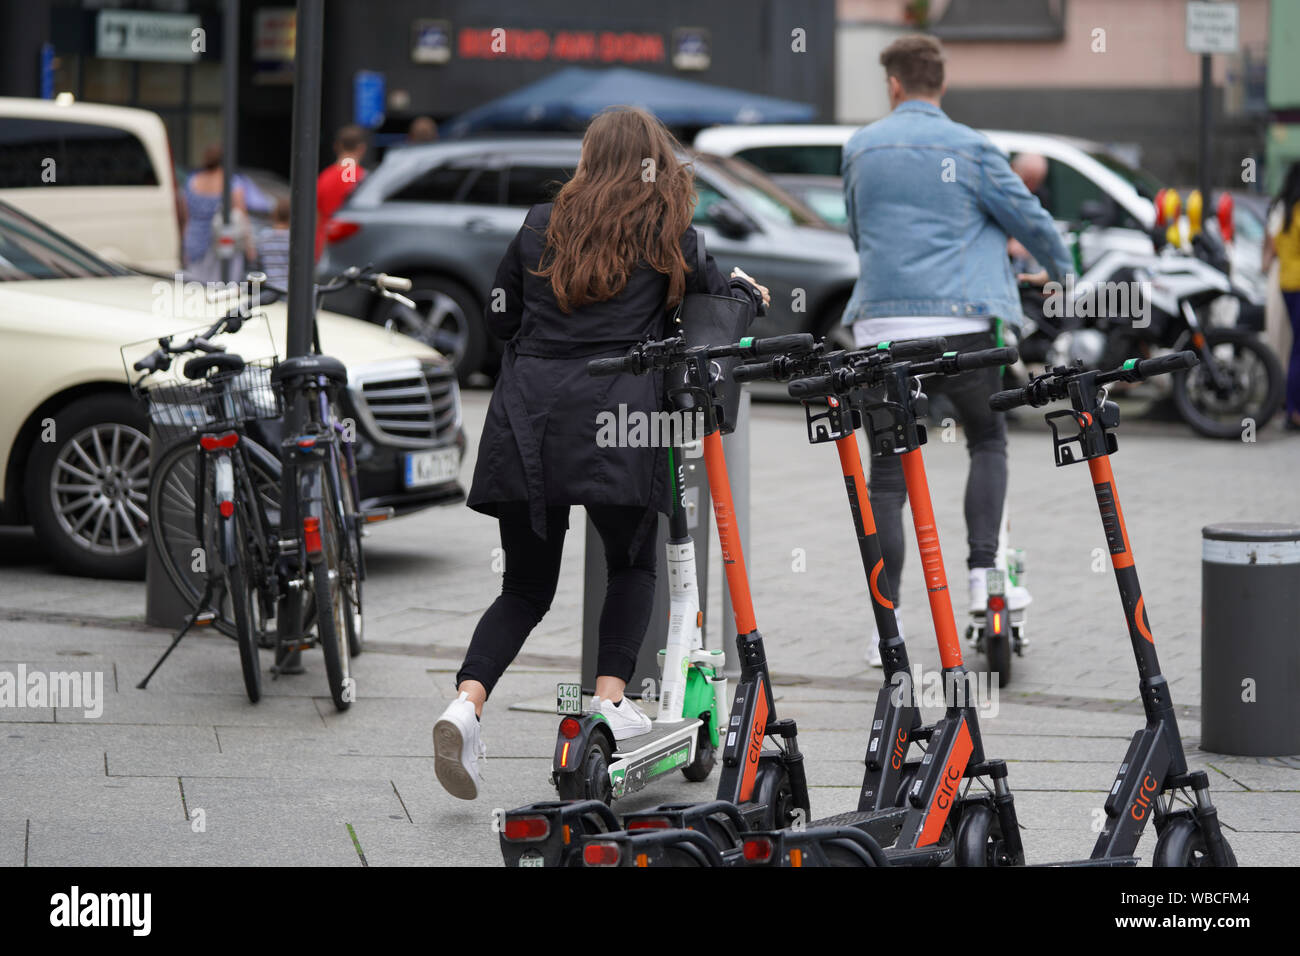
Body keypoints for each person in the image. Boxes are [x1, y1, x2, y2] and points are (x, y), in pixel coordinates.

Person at [431, 106, 769, 800]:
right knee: (631, 563)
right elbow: (711, 305)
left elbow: (499, 317)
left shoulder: (538, 223)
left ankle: (465, 704)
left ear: (589, 158)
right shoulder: (667, 230)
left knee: (524, 588)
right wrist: (744, 290)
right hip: (622, 420)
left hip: (530, 421)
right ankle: (610, 700)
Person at [841, 35, 1072, 665]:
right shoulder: (971, 148)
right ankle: (980, 579)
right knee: (987, 440)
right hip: (966, 329)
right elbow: (1034, 223)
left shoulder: (860, 148)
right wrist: (1062, 275)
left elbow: (861, 232)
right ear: (941, 85)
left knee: (887, 474)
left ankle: (885, 628)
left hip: (882, 333)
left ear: (894, 86)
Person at [1262, 160, 1300, 432]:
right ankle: (1293, 409)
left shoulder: (1280, 209)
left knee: (1286, 345)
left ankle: (1286, 405)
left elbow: (1269, 250)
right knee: (1295, 347)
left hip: (1282, 280)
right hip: (1294, 281)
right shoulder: (1296, 212)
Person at [180, 144, 252, 283]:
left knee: (197, 288)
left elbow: (186, 217)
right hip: (223, 241)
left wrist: (185, 244)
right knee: (224, 287)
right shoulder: (231, 182)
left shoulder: (191, 181)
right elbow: (242, 214)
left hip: (195, 242)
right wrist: (249, 246)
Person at [315, 124, 367, 259]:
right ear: (362, 148)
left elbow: (316, 216)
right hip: (355, 246)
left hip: (324, 246)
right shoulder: (364, 179)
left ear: (336, 146)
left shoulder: (323, 177)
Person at [255, 197, 291, 290]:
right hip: (288, 288)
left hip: (269, 287)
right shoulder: (293, 238)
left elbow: (257, 261)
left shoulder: (264, 236)